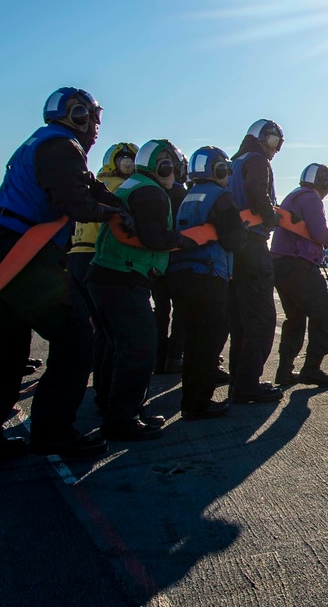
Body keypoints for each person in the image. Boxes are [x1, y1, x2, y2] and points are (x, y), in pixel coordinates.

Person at [0, 87, 126, 466]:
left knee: (12, 351)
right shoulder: (62, 146)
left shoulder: (44, 143)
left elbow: (89, 186)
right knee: (75, 339)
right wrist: (113, 215)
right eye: (94, 118)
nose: (96, 127)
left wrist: (116, 201)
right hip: (19, 253)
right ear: (79, 115)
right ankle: (53, 432)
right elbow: (74, 201)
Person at [87, 140, 197, 440]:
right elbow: (153, 236)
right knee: (139, 351)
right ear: (163, 166)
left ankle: (116, 409)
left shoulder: (132, 185)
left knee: (117, 349)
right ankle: (121, 420)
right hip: (123, 276)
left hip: (106, 275)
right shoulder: (151, 192)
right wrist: (183, 240)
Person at [166, 146, 248, 420]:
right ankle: (198, 402)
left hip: (180, 274)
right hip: (207, 275)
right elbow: (234, 240)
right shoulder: (222, 197)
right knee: (210, 338)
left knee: (192, 339)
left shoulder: (188, 196)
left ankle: (190, 398)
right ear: (220, 170)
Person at [67, 141, 139, 415]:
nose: (129, 164)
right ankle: (109, 395)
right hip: (98, 257)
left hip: (77, 255)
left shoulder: (95, 183)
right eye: (126, 159)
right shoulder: (119, 189)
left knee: (100, 330)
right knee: (113, 333)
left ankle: (100, 390)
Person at [271, 164, 328, 389]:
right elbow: (320, 234)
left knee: (295, 318)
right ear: (326, 183)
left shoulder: (294, 196)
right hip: (300, 266)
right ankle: (312, 369)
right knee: (324, 316)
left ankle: (284, 371)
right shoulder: (312, 199)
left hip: (280, 266)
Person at [227, 119, 285, 404]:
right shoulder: (258, 160)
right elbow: (256, 192)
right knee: (262, 318)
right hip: (253, 243)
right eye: (275, 141)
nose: (276, 149)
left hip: (234, 247)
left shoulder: (234, 162)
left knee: (239, 319)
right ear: (262, 138)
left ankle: (239, 381)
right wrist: (272, 217)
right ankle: (248, 384)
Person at [152, 159, 188, 375]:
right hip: (178, 260)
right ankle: (174, 357)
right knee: (181, 311)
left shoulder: (153, 191)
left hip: (156, 261)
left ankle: (158, 358)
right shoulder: (180, 194)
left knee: (161, 311)